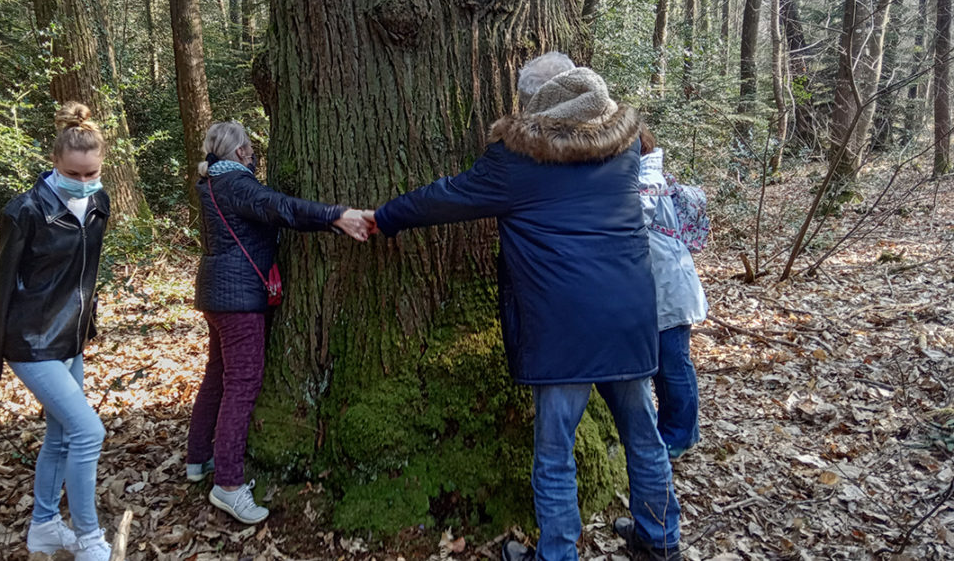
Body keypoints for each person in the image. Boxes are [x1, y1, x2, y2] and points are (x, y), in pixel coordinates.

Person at [365, 53, 682, 561]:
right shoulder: (623, 149)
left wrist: (384, 216)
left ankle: (557, 554)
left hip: (562, 324)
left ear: (535, 102)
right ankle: (661, 539)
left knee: (555, 452)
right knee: (643, 434)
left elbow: (445, 197)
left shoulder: (517, 161)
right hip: (629, 315)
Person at [186, 120, 372, 524]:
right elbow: (282, 208)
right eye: (249, 148)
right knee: (243, 383)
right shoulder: (236, 184)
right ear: (239, 153)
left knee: (217, 377)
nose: (253, 153)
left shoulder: (211, 184)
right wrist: (337, 215)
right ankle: (229, 485)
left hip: (217, 294)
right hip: (238, 299)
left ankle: (198, 459)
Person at [0, 102, 113, 561]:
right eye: (73, 174)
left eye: (90, 172)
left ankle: (44, 528)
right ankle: (89, 537)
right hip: (31, 341)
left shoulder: (100, 202)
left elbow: (85, 272)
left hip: (69, 337)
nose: (82, 181)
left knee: (61, 435)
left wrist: (87, 323)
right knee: (88, 432)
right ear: (55, 163)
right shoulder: (25, 211)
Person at [638, 125, 708, 460]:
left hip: (670, 287)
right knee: (665, 365)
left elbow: (637, 216)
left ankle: (681, 436)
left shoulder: (646, 180)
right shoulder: (645, 174)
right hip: (662, 287)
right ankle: (673, 433)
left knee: (673, 364)